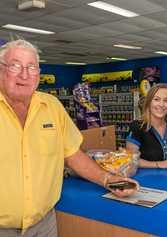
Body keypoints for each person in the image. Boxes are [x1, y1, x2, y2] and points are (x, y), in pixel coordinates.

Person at [0, 39, 139, 237]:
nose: (25, 74)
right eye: (15, 66)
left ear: (38, 73)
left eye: (31, 67)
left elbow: (73, 155)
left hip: (44, 225)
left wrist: (109, 179)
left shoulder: (53, 106)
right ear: (1, 69)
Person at [126, 84, 167, 170]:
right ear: (149, 102)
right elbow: (131, 159)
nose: (161, 104)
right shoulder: (137, 127)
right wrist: (159, 164)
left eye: (166, 101)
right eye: (156, 99)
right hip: (144, 181)